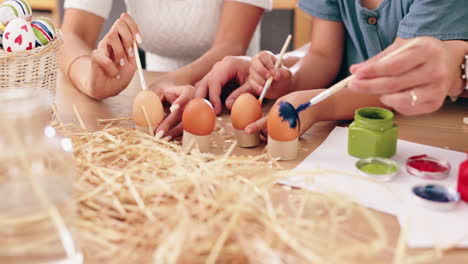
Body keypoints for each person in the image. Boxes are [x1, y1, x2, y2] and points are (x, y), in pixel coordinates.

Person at [190, 0, 468, 137]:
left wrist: (316, 105)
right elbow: (322, 56)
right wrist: (289, 79)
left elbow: (397, 80)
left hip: (433, 124)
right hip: (355, 121)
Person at [59, 0, 271, 104]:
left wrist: (174, 80)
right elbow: (71, 34)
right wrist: (90, 79)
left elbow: (232, 43)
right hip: (159, 96)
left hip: (232, 96)